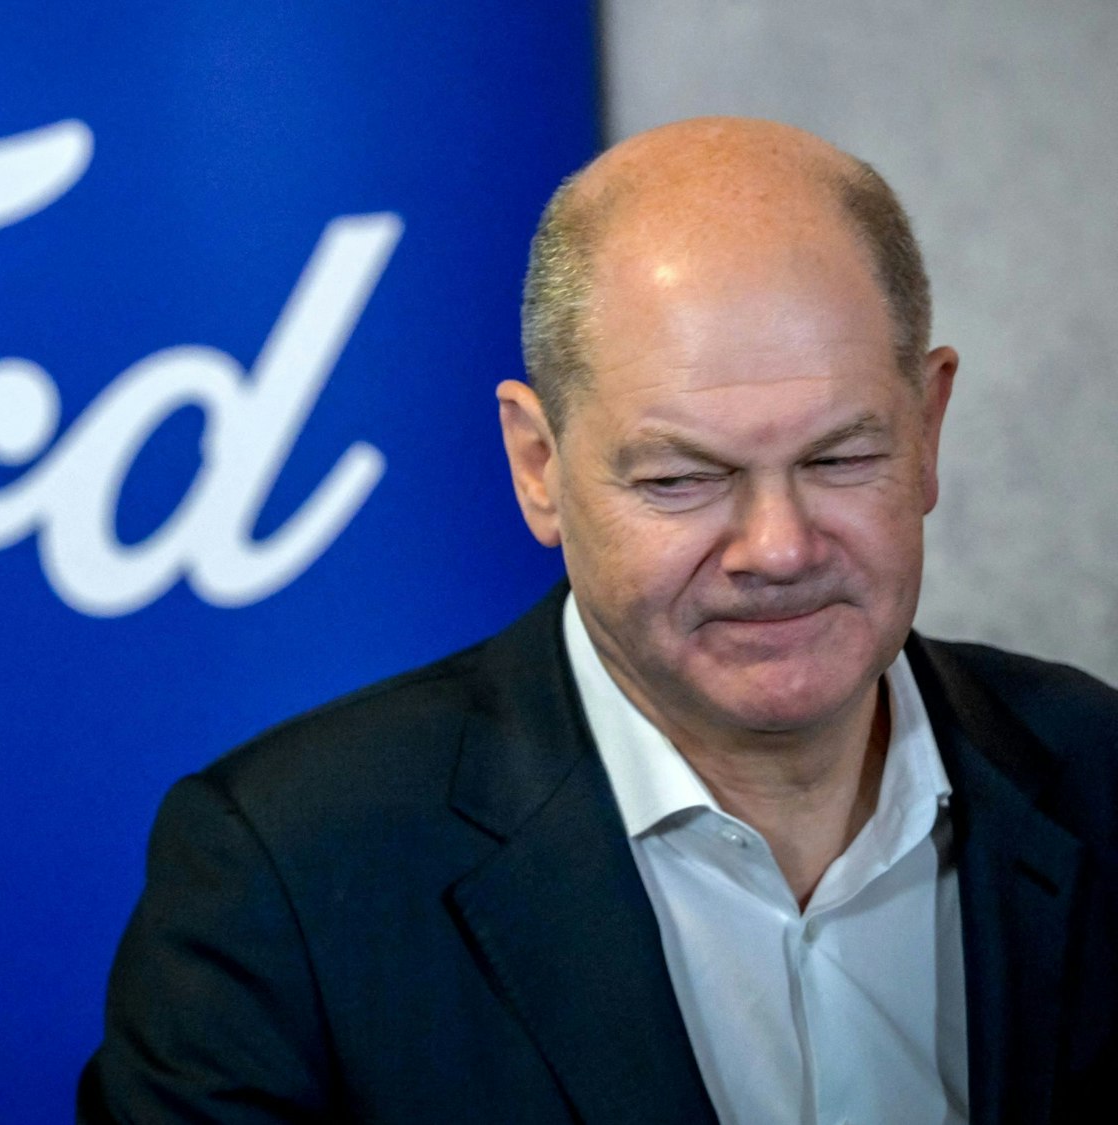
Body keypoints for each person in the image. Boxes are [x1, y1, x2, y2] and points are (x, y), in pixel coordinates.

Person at [78, 117, 1117, 1124]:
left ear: (927, 427)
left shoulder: (1102, 775)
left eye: (839, 459)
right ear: (538, 465)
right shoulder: (284, 882)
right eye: (680, 478)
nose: (778, 547)